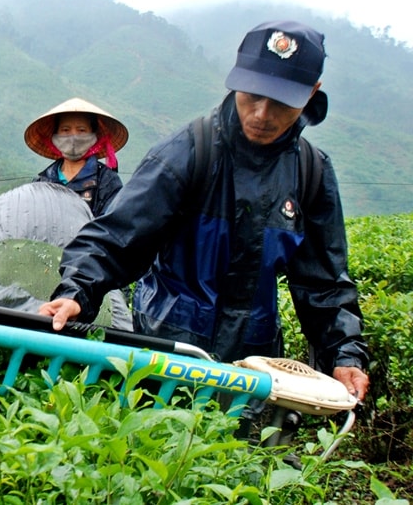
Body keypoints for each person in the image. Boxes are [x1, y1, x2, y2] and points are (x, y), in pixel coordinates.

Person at [38, 21, 370, 405]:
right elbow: (118, 237)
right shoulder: (188, 152)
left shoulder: (310, 172)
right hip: (167, 354)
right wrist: (77, 292)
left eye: (281, 102)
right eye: (253, 95)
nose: (262, 114)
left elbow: (324, 282)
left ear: (311, 93)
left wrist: (344, 353)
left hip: (253, 366)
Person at [25, 97, 129, 217]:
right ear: (55, 136)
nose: (73, 137)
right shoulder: (41, 182)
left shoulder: (107, 180)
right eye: (65, 130)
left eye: (81, 130)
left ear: (93, 136)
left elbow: (111, 224)